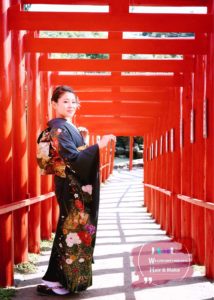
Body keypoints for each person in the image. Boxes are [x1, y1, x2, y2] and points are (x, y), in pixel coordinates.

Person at [37, 85, 115, 296]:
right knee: (74, 232)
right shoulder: (60, 129)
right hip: (73, 191)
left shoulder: (64, 127)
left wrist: (85, 143)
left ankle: (55, 278)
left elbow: (70, 156)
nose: (71, 105)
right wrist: (98, 145)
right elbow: (73, 160)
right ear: (54, 104)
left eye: (74, 102)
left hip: (73, 188)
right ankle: (64, 282)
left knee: (68, 231)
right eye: (65, 101)